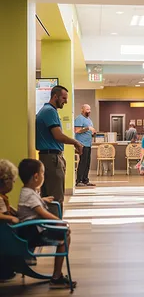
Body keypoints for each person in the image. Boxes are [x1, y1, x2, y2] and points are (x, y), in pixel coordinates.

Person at [17, 159, 76, 289]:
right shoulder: (29, 194)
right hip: (33, 232)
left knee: (64, 233)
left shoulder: (28, 192)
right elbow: (42, 212)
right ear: (36, 177)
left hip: (32, 229)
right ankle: (56, 276)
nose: (44, 176)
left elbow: (33, 203)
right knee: (65, 235)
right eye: (43, 173)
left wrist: (41, 199)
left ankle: (57, 275)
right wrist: (58, 221)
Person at [36, 85, 83, 216]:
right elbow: (58, 135)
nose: (66, 101)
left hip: (48, 157)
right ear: (55, 96)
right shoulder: (49, 111)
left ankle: (49, 228)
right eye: (64, 98)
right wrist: (76, 142)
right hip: (52, 159)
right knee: (56, 198)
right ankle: (57, 230)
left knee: (48, 197)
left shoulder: (46, 110)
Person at [74, 104, 96, 187]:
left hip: (88, 144)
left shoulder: (89, 120)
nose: (89, 111)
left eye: (89, 109)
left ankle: (85, 180)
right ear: (82, 110)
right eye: (87, 109)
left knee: (87, 163)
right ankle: (79, 180)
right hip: (82, 144)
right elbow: (77, 130)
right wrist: (88, 128)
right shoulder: (79, 119)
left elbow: (89, 131)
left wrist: (93, 133)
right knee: (82, 162)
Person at [0, 159, 19, 224]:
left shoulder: (2, 197)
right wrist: (11, 218)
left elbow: (4, 208)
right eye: (13, 180)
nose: (14, 182)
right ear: (6, 180)